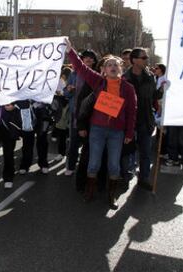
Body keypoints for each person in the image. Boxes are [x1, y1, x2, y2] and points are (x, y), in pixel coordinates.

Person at [65, 38, 137, 209]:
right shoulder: (98, 82)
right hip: (97, 130)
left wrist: (128, 133)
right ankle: (89, 191)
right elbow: (81, 68)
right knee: (94, 163)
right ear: (104, 70)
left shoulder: (128, 88)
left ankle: (111, 197)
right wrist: (70, 50)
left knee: (114, 164)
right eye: (109, 65)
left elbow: (132, 112)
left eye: (116, 65)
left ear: (121, 69)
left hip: (117, 133)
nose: (113, 67)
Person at [124, 48, 162, 190]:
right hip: (129, 121)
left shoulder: (150, 77)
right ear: (134, 60)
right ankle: (126, 175)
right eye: (144, 57)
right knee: (128, 151)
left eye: (146, 57)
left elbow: (154, 97)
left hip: (146, 120)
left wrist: (162, 90)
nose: (147, 59)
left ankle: (144, 178)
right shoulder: (124, 78)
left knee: (145, 152)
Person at [65, 49, 98, 177]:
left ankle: (88, 168)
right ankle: (71, 166)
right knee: (73, 142)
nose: (88, 59)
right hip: (76, 113)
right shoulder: (74, 74)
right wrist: (69, 89)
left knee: (90, 144)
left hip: (93, 115)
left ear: (94, 60)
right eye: (86, 57)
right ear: (81, 60)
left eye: (91, 57)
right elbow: (66, 93)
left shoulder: (97, 74)